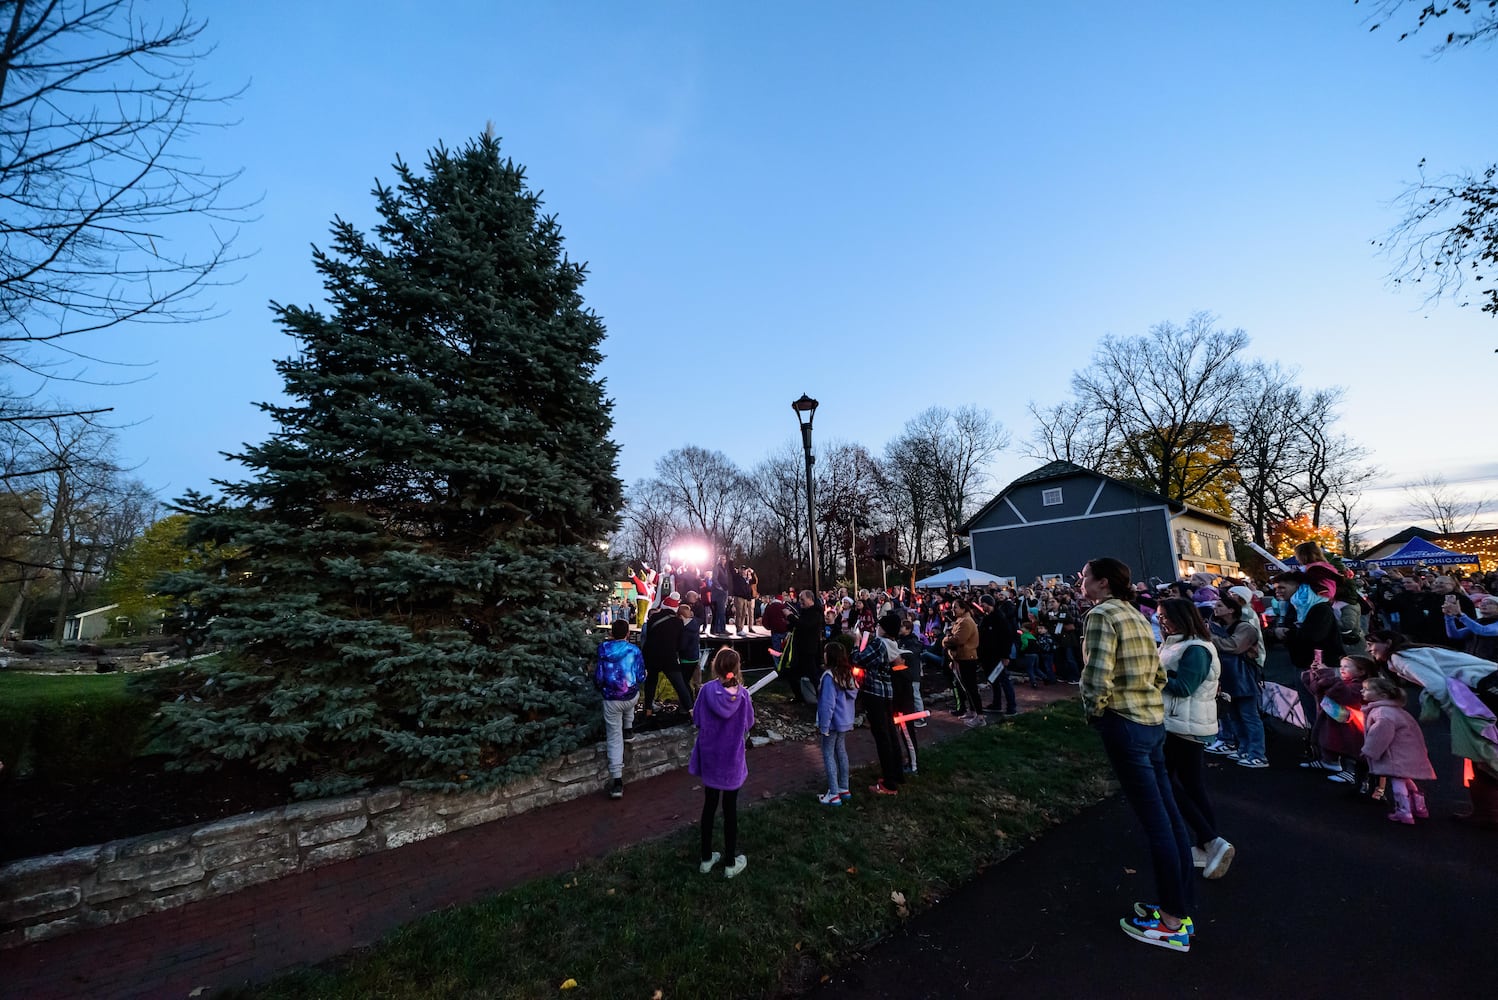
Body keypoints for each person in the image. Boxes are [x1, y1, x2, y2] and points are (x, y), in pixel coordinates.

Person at [1080, 557, 1195, 952]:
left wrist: (1095, 712)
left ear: (1103, 583)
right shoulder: (1135, 613)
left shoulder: (1101, 615)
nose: (1082, 582)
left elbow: (1096, 672)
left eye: (1085, 577)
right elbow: (1158, 671)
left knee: (1156, 823)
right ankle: (1179, 905)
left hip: (1125, 722)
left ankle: (1171, 923)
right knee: (1169, 816)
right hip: (1152, 723)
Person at [1367, 630, 1498, 827]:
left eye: (1372, 643)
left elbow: (1438, 686)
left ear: (1388, 642)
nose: (1369, 648)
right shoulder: (1416, 651)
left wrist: (1459, 718)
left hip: (1488, 689)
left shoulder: (1401, 657)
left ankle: (1487, 813)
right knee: (1485, 752)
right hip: (1489, 683)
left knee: (1482, 750)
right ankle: (1487, 812)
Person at [1156, 598, 1234, 881]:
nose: (1161, 620)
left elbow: (1184, 687)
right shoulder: (1176, 644)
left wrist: (1152, 674)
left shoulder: (1197, 649)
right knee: (1191, 785)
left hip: (1184, 726)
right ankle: (1206, 844)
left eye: (1165, 615)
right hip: (1178, 722)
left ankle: (1211, 840)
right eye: (1159, 616)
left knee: (1165, 780)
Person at [689, 648, 755, 878]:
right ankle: (729, 862)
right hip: (731, 759)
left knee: (709, 806)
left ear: (715, 666)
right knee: (730, 810)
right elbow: (748, 723)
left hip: (711, 756)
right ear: (736, 669)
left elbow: (697, 719)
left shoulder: (705, 691)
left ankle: (706, 859)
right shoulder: (744, 696)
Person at [1359, 674, 1437, 824]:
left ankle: (1404, 812)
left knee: (1397, 781)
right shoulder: (1397, 711)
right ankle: (1419, 808)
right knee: (1405, 778)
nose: (1362, 692)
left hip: (1396, 754)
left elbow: (1379, 735)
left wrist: (1368, 750)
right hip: (1408, 751)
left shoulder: (1382, 713)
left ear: (1382, 695)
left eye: (1366, 689)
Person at [1205, 593, 1267, 768]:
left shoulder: (1245, 628)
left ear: (1232, 609)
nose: (1215, 609)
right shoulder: (1220, 627)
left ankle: (1258, 754)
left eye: (1220, 606)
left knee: (1249, 716)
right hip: (1230, 677)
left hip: (1243, 677)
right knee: (1234, 716)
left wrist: (1210, 636)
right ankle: (1244, 748)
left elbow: (1233, 646)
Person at [853, 612, 905, 796]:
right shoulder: (892, 644)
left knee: (882, 736)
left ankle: (889, 784)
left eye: (879, 625)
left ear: (884, 628)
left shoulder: (880, 644)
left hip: (875, 694)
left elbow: (859, 659)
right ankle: (897, 773)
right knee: (890, 733)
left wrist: (856, 643)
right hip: (887, 693)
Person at [594, 619, 647, 800]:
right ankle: (629, 728)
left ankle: (617, 781)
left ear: (611, 633)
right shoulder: (635, 651)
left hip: (611, 699)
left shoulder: (603, 650)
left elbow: (599, 677)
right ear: (627, 634)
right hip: (630, 698)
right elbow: (640, 676)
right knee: (630, 693)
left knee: (614, 737)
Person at [1300, 654, 1371, 782]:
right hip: (1336, 720)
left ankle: (1352, 773)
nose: (1342, 669)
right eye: (1341, 666)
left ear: (1362, 671)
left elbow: (1342, 694)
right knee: (1330, 741)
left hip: (1352, 725)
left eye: (1347, 667)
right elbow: (1318, 690)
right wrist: (1314, 673)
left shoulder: (1361, 687)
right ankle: (1329, 762)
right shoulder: (1344, 683)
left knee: (1350, 747)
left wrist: (1325, 674)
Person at [1270, 571, 1345, 669]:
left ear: (1297, 586)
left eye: (1281, 587)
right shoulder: (1293, 606)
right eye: (1275, 588)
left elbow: (1314, 636)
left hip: (1324, 666)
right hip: (1305, 662)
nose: (1277, 591)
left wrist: (1286, 633)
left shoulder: (1320, 607)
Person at [816, 643, 859, 805]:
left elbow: (828, 704)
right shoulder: (848, 674)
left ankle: (833, 793)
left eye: (826, 652)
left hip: (833, 723)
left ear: (830, 656)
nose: (824, 655)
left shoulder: (829, 677)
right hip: (845, 720)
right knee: (841, 751)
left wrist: (824, 725)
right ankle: (844, 787)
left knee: (828, 753)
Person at [640, 594, 694, 718]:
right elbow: (680, 644)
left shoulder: (653, 618)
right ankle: (691, 711)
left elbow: (648, 635)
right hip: (669, 657)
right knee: (679, 685)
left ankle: (648, 710)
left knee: (651, 682)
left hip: (652, 655)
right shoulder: (678, 622)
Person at [943, 598, 982, 727]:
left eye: (955, 607)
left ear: (963, 609)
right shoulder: (961, 621)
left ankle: (980, 716)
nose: (952, 610)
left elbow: (958, 640)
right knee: (966, 687)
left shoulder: (966, 622)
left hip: (967, 658)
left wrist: (945, 640)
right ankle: (972, 711)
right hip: (960, 658)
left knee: (971, 688)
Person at [1444, 593, 1498, 663]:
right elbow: (1455, 635)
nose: (1483, 604)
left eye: (1490, 603)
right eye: (1482, 603)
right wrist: (1449, 616)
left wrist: (1459, 614)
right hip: (1472, 661)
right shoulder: (1478, 622)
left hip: (1492, 664)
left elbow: (1484, 631)